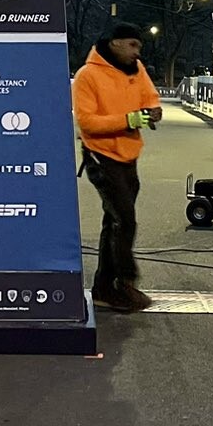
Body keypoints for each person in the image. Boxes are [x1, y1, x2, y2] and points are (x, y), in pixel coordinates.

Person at [72, 21, 163, 313]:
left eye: (140, 46)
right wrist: (129, 120)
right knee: (124, 220)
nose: (137, 52)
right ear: (115, 43)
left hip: (128, 156)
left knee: (114, 221)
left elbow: (150, 96)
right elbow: (87, 122)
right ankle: (123, 283)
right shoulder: (87, 76)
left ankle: (104, 287)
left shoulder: (137, 70)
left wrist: (153, 110)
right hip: (101, 156)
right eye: (133, 45)